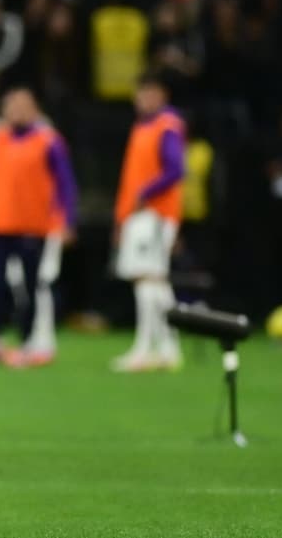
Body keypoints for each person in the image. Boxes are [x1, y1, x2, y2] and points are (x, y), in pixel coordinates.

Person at [0, 86, 78, 368]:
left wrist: (67, 221)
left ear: (34, 109)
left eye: (22, 106)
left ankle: (31, 343)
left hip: (35, 228)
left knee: (32, 287)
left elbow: (66, 184)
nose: (16, 111)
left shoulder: (48, 140)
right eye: (12, 106)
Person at [111, 72, 185, 372]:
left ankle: (145, 348)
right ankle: (166, 348)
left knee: (148, 279)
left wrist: (146, 193)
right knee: (154, 281)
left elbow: (175, 169)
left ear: (163, 95)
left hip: (155, 214)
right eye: (141, 93)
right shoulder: (142, 126)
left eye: (151, 93)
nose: (144, 99)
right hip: (138, 215)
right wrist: (121, 218)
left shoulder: (168, 125)